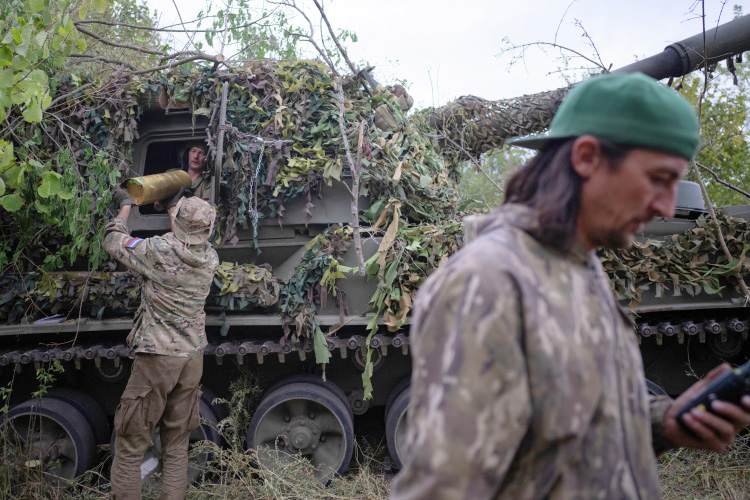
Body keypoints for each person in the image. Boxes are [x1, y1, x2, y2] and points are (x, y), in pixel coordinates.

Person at [389, 73, 750, 500]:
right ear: (586, 157)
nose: (667, 206)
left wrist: (664, 423)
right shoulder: (488, 285)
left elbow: (566, 426)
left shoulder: (581, 267)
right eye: (658, 178)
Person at [105, 189, 220, 500]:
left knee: (130, 446)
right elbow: (186, 235)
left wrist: (125, 208)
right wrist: (174, 207)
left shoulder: (158, 250)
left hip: (157, 357)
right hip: (191, 359)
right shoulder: (210, 257)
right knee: (177, 445)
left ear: (177, 224)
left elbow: (114, 242)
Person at [154, 141, 212, 212]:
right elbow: (158, 206)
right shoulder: (172, 174)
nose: (196, 156)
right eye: (193, 151)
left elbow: (205, 208)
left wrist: (189, 200)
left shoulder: (208, 182)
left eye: (202, 153)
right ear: (187, 154)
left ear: (207, 158)